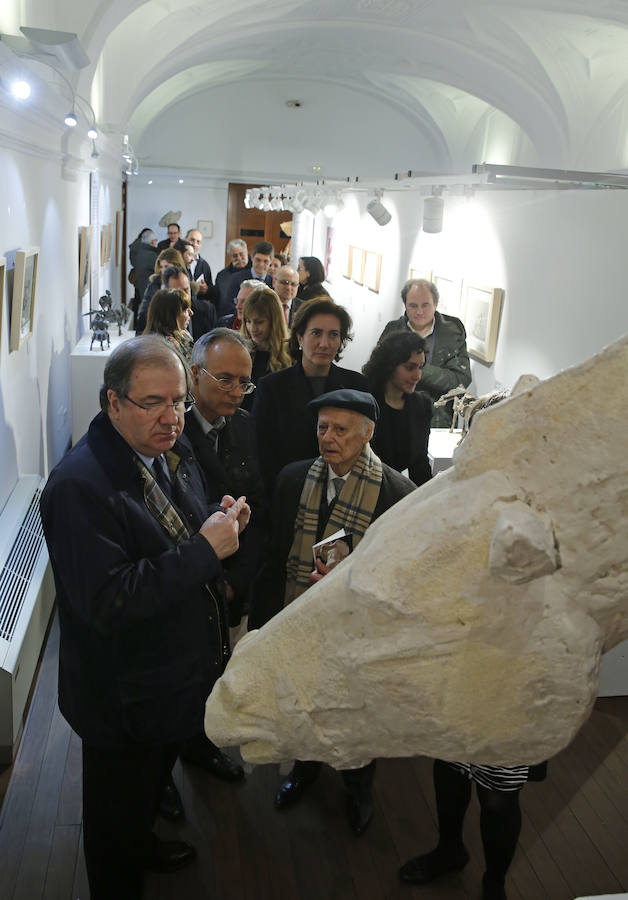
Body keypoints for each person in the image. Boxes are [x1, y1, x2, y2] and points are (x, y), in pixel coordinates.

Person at [40, 335, 250, 900]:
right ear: (113, 403)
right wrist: (207, 552)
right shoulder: (81, 485)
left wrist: (217, 521)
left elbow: (177, 533)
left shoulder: (156, 453)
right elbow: (109, 601)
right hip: (123, 697)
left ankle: (143, 845)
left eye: (179, 402)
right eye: (152, 402)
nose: (171, 417)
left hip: (164, 684)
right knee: (114, 824)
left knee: (146, 793)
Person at [398, 390, 546, 900]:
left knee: (500, 794)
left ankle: (495, 883)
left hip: (511, 665)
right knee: (450, 768)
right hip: (456, 657)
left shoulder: (539, 503)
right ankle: (449, 848)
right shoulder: (451, 494)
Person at [251, 389, 415, 835]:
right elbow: (276, 552)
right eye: (322, 427)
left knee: (355, 712)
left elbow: (402, 577)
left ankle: (358, 786)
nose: (328, 437)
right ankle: (304, 768)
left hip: (358, 630)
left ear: (367, 434)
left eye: (341, 429)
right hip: (298, 619)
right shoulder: (293, 478)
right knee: (306, 699)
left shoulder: (398, 493)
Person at [252, 297, 368, 497]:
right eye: (316, 333)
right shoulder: (272, 387)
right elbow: (261, 454)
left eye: (333, 335)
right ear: (299, 337)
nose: (324, 344)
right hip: (287, 493)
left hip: (343, 494)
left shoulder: (357, 386)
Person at [187, 329, 264, 630]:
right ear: (195, 374)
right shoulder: (169, 432)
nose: (236, 392)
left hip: (234, 590)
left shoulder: (244, 425)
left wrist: (236, 582)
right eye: (225, 380)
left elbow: (257, 509)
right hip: (188, 585)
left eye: (244, 383)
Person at [379, 278, 471, 427]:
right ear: (405, 306)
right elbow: (377, 371)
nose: (419, 312)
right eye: (413, 306)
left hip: (436, 420)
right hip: (393, 415)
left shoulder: (452, 333)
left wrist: (415, 368)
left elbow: (460, 380)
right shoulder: (392, 331)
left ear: (435, 304)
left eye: (425, 305)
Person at [362, 331, 433, 486]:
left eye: (420, 367)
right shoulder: (365, 402)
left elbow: (420, 463)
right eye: (410, 368)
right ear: (389, 366)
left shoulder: (421, 405)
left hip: (395, 490)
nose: (418, 375)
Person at [240, 286, 290, 410]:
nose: (252, 328)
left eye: (259, 322)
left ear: (274, 321)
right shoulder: (241, 352)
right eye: (248, 321)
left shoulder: (289, 355)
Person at [136, 247, 185, 333]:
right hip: (155, 331)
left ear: (176, 266)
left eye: (166, 266)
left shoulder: (184, 283)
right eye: (161, 267)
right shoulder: (154, 284)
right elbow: (144, 311)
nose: (163, 270)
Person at [222, 239, 274, 317]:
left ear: (271, 261)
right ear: (252, 257)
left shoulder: (273, 282)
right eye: (258, 260)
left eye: (265, 261)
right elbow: (229, 306)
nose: (261, 264)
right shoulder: (236, 279)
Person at [164, 264, 216, 340]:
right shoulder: (162, 315)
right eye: (177, 292)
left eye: (186, 290)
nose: (183, 295)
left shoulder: (207, 310)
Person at [144, 288, 194, 362]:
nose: (191, 313)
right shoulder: (164, 347)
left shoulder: (183, 333)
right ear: (171, 315)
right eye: (185, 310)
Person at [215, 238, 250, 314]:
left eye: (241, 254)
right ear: (230, 257)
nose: (239, 258)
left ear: (247, 253)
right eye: (235, 256)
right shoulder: (222, 276)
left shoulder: (255, 273)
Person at [185, 228, 215, 305]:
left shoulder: (204, 265)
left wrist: (206, 289)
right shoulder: (179, 262)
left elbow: (211, 290)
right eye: (192, 240)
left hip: (198, 308)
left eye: (198, 242)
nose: (194, 244)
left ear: (201, 245)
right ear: (185, 240)